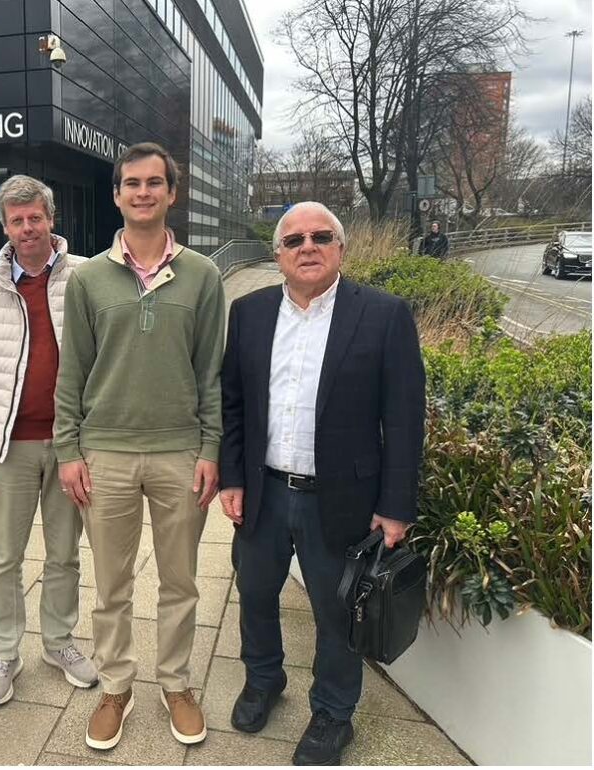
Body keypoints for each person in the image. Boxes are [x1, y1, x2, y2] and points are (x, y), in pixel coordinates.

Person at [219, 201, 426, 765]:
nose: (306, 247)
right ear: (278, 255)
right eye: (293, 240)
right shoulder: (250, 313)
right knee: (256, 593)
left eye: (320, 236)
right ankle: (264, 680)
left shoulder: (383, 315)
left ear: (340, 247)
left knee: (337, 615)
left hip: (342, 500)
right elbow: (232, 404)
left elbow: (405, 418)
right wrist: (231, 477)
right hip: (263, 491)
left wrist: (396, 505)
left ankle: (334, 714)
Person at [54, 142, 225, 750]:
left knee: (180, 581)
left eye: (155, 182)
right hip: (107, 453)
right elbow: (71, 371)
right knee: (112, 584)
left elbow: (211, 372)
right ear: (118, 194)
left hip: (181, 453)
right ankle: (116, 687)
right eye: (133, 183)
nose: (144, 192)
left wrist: (211, 449)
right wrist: (68, 450)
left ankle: (176, 684)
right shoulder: (89, 278)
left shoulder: (203, 275)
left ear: (171, 193)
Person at [0, 174, 98, 706]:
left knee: (64, 554)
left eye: (35, 217)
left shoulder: (87, 277)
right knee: (4, 558)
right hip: (7, 446)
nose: (27, 227)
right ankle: (6, 652)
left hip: (67, 447)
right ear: (5, 226)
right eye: (17, 220)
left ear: (51, 219)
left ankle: (59, 643)